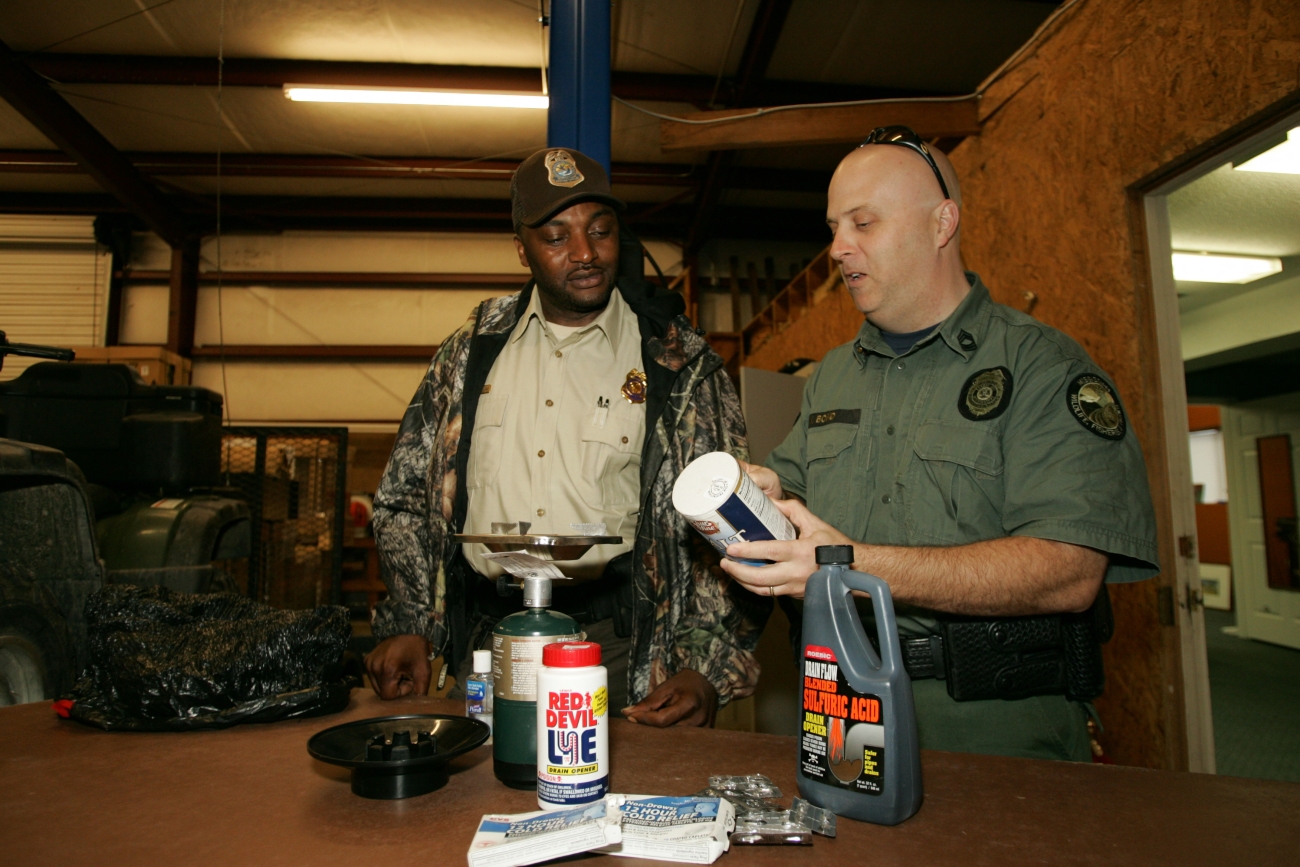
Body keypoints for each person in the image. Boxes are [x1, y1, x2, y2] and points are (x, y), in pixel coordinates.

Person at [723, 127, 1159, 761]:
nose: (838, 248)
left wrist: (850, 567)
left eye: (864, 223)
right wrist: (760, 494)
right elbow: (796, 508)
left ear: (942, 223)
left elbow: (1070, 572)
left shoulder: (1040, 366)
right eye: (834, 228)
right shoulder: (834, 376)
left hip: (991, 726)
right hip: (842, 709)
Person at [365, 147, 767, 726]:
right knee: (480, 781)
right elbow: (404, 499)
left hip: (621, 655)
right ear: (521, 249)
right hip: (486, 648)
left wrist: (704, 665)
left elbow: (730, 523)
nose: (585, 253)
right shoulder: (469, 354)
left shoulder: (677, 363)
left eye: (600, 231)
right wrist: (412, 622)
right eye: (557, 237)